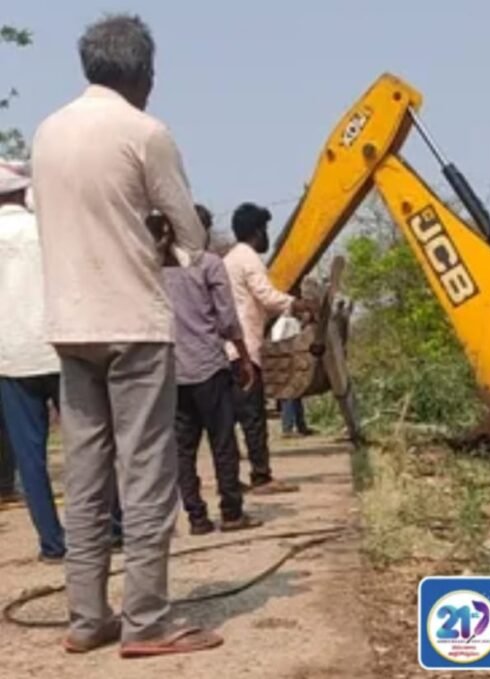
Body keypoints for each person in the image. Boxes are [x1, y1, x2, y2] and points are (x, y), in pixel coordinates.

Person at [32, 14, 221, 657]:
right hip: (133, 325)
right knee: (145, 473)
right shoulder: (146, 132)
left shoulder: (47, 133)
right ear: (142, 73)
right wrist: (162, 237)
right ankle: (147, 621)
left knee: (85, 476)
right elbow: (190, 235)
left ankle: (87, 618)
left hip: (69, 324)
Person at [158, 204, 258, 535]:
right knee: (222, 441)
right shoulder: (209, 264)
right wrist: (244, 357)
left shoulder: (155, 268)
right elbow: (228, 319)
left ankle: (197, 517)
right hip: (208, 366)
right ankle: (231, 512)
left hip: (172, 370)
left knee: (183, 449)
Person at [0, 160, 65, 562]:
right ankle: (110, 527)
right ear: (25, 192)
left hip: (10, 359)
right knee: (89, 446)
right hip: (58, 350)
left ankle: (53, 543)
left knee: (31, 457)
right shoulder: (45, 231)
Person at [224, 203, 313, 494]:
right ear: (257, 231)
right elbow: (266, 296)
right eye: (265, 231)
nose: (267, 238)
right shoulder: (248, 258)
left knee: (228, 419)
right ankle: (261, 476)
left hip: (229, 349)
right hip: (245, 349)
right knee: (252, 416)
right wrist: (296, 304)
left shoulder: (229, 260)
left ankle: (231, 479)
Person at [270, 310, 313, 437]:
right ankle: (287, 428)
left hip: (293, 361)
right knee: (288, 395)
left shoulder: (294, 322)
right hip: (285, 362)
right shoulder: (283, 322)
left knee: (297, 394)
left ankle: (301, 425)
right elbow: (277, 343)